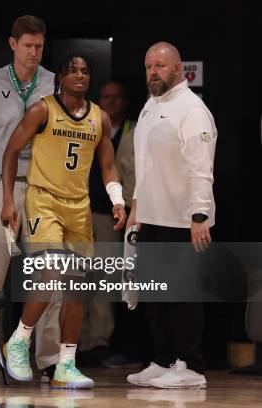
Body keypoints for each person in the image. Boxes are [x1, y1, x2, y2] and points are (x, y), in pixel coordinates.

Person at [0, 54, 126, 388]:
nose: (81, 76)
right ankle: (19, 339)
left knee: (76, 288)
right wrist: (9, 200)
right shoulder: (42, 110)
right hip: (43, 200)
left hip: (79, 206)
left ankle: (65, 365)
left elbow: (108, 165)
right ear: (61, 76)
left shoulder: (100, 118)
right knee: (53, 269)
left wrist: (117, 199)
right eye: (74, 71)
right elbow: (11, 152)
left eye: (86, 72)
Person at [0, 14, 60, 373]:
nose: (34, 52)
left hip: (43, 188)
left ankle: (49, 359)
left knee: (50, 272)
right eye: (28, 45)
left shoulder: (54, 84)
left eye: (39, 46)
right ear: (12, 44)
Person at [125, 42, 217, 389]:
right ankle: (163, 360)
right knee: (156, 294)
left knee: (182, 294)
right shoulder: (150, 106)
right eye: (148, 66)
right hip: (152, 217)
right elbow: (145, 167)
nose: (153, 72)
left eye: (160, 66)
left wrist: (199, 215)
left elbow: (201, 168)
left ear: (178, 69)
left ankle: (190, 364)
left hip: (183, 221)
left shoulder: (192, 109)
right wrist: (137, 207)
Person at [78, 81, 137, 365]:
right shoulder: (89, 125)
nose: (111, 102)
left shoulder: (133, 130)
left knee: (105, 281)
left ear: (125, 101)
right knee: (78, 280)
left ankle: (98, 343)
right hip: (80, 213)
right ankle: (77, 342)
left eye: (116, 97)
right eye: (106, 97)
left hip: (109, 215)